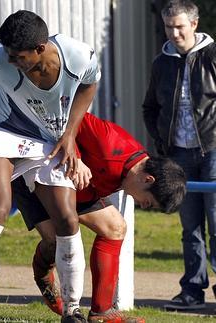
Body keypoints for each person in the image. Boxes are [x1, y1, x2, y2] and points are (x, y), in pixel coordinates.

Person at [0, 10, 100, 323]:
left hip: (47, 140)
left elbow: (90, 84)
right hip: (3, 129)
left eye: (18, 56)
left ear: (40, 48)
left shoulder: (78, 56)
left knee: (66, 219)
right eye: (8, 54)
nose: (10, 61)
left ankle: (73, 309)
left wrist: (70, 133)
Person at [12, 112, 186, 322]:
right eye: (148, 202)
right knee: (56, 242)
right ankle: (42, 274)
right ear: (147, 179)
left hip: (77, 190)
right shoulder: (109, 141)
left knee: (116, 228)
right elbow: (65, 116)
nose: (142, 205)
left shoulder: (129, 170)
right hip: (36, 176)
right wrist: (75, 156)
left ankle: (101, 313)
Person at [142, 0, 216, 311]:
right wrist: (162, 143)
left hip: (213, 150)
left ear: (194, 25)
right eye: (168, 27)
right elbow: (150, 108)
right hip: (178, 156)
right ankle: (192, 291)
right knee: (190, 228)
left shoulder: (213, 56)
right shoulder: (162, 63)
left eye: (179, 26)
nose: (173, 33)